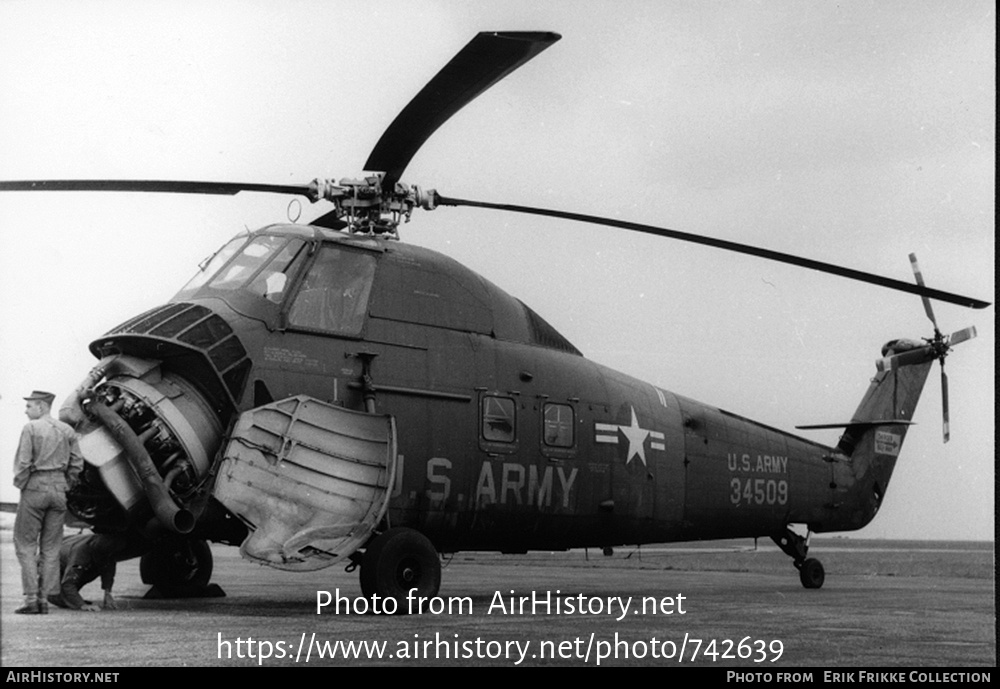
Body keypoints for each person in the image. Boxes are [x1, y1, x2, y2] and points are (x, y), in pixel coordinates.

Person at [13, 390, 83, 614]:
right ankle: (45, 598)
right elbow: (77, 464)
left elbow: (23, 463)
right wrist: (65, 484)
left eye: (30, 406)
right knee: (51, 548)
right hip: (59, 490)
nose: (26, 410)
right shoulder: (67, 430)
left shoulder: (31, 428)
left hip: (35, 487)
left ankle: (31, 599)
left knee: (25, 544)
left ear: (42, 407)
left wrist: (22, 484)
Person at [48, 532, 141, 611]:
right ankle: (55, 596)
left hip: (65, 552)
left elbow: (108, 569)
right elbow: (68, 583)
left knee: (98, 567)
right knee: (60, 596)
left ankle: (67, 598)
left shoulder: (105, 548)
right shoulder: (80, 556)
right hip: (51, 562)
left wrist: (107, 593)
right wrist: (82, 605)